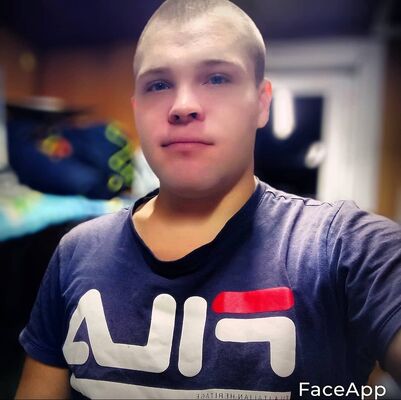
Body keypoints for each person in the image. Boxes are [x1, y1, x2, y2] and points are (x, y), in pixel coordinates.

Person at [16, 0, 401, 398]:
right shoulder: (76, 252)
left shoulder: (343, 247)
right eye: (158, 84)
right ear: (138, 108)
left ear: (262, 103)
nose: (183, 106)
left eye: (217, 78)